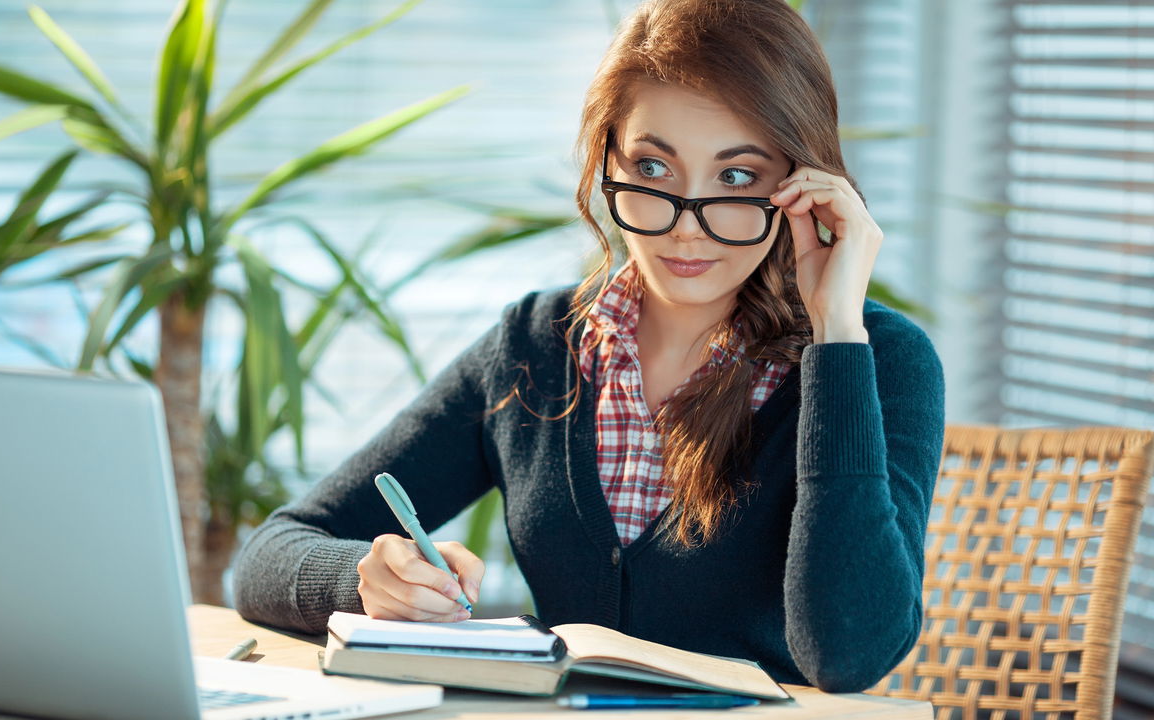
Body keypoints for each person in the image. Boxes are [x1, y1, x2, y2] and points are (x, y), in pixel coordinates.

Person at [233, 0, 944, 694]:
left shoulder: (876, 360)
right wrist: (368, 577)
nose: (685, 228)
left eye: (735, 178)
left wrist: (837, 336)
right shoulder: (536, 346)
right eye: (653, 168)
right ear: (607, 162)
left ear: (799, 185)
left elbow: (848, 654)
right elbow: (267, 558)